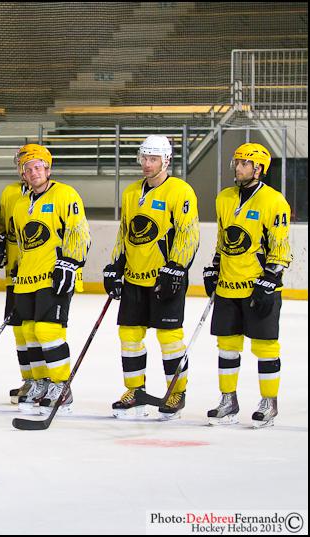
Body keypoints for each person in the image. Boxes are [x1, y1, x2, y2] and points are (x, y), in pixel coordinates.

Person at [103, 135, 199, 420]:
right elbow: (125, 232)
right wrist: (115, 266)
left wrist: (176, 267)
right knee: (129, 336)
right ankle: (135, 391)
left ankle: (176, 392)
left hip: (164, 278)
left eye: (153, 159)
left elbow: (188, 233)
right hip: (134, 278)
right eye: (144, 158)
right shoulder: (132, 192)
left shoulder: (180, 191)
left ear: (166, 160)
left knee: (170, 338)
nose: (146, 164)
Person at [203, 143, 291, 428]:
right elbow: (222, 239)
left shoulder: (274, 201)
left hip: (258, 287)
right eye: (237, 162)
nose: (238, 168)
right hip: (229, 285)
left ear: (259, 169)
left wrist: (271, 278)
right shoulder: (225, 198)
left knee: (266, 346)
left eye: (244, 163)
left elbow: (280, 246)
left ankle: (269, 403)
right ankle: (228, 400)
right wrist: (214, 267)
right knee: (227, 346)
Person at [10, 146, 90, 415]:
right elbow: (24, 244)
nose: (33, 172)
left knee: (48, 331)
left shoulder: (64, 194)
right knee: (29, 332)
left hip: (54, 275)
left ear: (48, 169)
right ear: (22, 173)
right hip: (27, 278)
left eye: (38, 167)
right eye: (28, 168)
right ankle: (41, 382)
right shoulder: (21, 204)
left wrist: (70, 262)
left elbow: (79, 231)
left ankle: (61, 386)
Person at [0, 144, 35, 404]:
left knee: (39, 329)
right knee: (19, 330)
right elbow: (5, 228)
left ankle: (46, 380)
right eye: (21, 164)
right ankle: (29, 381)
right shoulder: (10, 193)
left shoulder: (54, 194)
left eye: (29, 164)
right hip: (14, 273)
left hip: (40, 273)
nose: (24, 169)